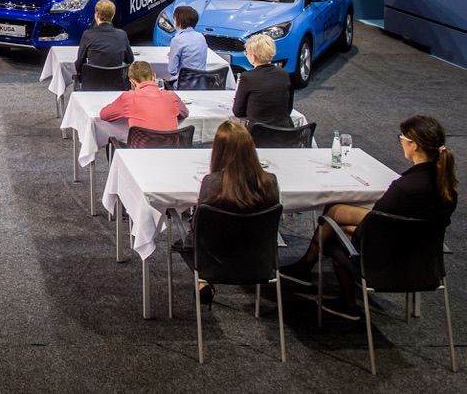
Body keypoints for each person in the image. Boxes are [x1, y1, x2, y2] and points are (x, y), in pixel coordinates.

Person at [279, 115, 458, 319]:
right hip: (424, 257)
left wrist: (347, 230)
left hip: (387, 253)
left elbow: (375, 224)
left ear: (414, 146)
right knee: (334, 210)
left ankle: (347, 303)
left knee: (334, 232)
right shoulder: (447, 185)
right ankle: (305, 265)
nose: (401, 143)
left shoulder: (405, 187)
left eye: (402, 139)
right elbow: (383, 217)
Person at [187, 120, 281, 305]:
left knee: (188, 238)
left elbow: (199, 225)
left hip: (215, 259)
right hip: (259, 258)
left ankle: (203, 282)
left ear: (218, 151)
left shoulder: (211, 183)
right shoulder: (270, 181)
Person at [99, 61, 189, 132]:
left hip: (140, 151)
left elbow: (104, 115)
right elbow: (185, 113)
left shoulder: (128, 97)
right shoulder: (171, 95)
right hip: (170, 150)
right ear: (154, 77)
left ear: (132, 82)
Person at [231, 34, 293, 127]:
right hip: (285, 135)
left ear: (253, 56)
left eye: (246, 53)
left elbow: (238, 111)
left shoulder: (247, 77)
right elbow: (288, 108)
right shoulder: (284, 74)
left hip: (257, 137)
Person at [74, 0, 134, 79]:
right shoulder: (122, 34)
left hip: (92, 83)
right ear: (113, 15)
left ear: (96, 15)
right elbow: (130, 59)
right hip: (116, 84)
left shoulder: (87, 35)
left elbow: (79, 63)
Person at [167, 5, 208, 81]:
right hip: (201, 83)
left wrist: (171, 57)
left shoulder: (177, 40)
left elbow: (172, 71)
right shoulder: (201, 37)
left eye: (174, 19)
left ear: (178, 21)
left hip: (183, 84)